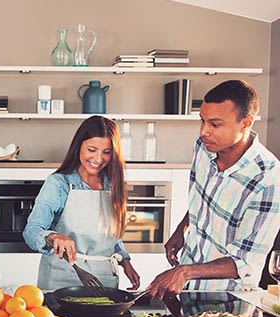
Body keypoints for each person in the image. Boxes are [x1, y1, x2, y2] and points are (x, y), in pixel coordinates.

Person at [147, 80, 280, 298]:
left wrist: (184, 272)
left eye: (215, 124)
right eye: (202, 121)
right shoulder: (204, 148)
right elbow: (203, 195)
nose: (203, 131)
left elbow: (245, 262)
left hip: (229, 298)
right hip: (189, 285)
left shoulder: (268, 179)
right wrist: (182, 228)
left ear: (246, 123)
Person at [23, 115, 140, 291]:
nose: (98, 159)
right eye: (92, 149)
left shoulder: (113, 184)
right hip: (61, 279)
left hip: (104, 281)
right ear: (79, 146)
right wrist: (53, 236)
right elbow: (31, 231)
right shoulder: (59, 184)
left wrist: (125, 261)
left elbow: (110, 236)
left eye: (106, 152)